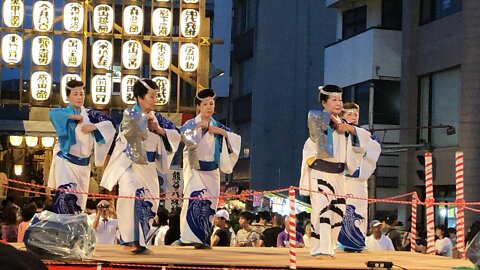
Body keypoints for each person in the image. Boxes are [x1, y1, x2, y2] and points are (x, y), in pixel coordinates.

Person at [100, 78, 181, 254]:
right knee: (131, 198)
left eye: (156, 96)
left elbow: (176, 134)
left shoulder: (157, 117)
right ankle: (133, 240)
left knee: (151, 200)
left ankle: (140, 239)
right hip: (131, 165)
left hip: (149, 166)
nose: (155, 99)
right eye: (151, 96)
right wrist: (149, 125)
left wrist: (159, 130)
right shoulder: (130, 113)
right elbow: (133, 134)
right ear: (139, 97)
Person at [299, 85, 371, 258]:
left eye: (340, 99)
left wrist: (349, 129)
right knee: (322, 210)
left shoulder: (344, 125)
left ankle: (329, 247)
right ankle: (320, 248)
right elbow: (316, 143)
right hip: (321, 174)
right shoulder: (318, 119)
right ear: (324, 102)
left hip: (339, 175)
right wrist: (335, 126)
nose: (339, 103)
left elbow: (362, 143)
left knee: (338, 212)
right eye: (334, 99)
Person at [177, 88, 241, 247]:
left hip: (212, 171)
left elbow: (235, 138)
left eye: (211, 103)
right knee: (192, 203)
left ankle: (202, 238)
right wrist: (198, 126)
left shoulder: (218, 126)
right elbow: (181, 136)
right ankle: (186, 238)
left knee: (209, 205)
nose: (209, 107)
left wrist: (219, 131)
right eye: (205, 104)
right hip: (195, 171)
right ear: (198, 106)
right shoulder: (191, 124)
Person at [48, 80, 116, 214]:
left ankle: (76, 231)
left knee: (79, 203)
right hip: (66, 163)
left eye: (81, 94)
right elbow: (53, 114)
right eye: (75, 94)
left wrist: (94, 126)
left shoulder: (91, 115)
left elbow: (111, 123)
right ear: (67, 97)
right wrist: (73, 116)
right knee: (65, 198)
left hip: (83, 166)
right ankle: (63, 231)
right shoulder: (63, 112)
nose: (79, 97)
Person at [337, 102, 381, 252]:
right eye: (349, 114)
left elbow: (374, 147)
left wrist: (353, 130)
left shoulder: (364, 134)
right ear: (342, 115)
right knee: (338, 210)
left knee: (359, 210)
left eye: (356, 114)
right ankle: (336, 242)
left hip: (359, 179)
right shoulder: (336, 132)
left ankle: (356, 243)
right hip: (340, 178)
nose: (354, 116)